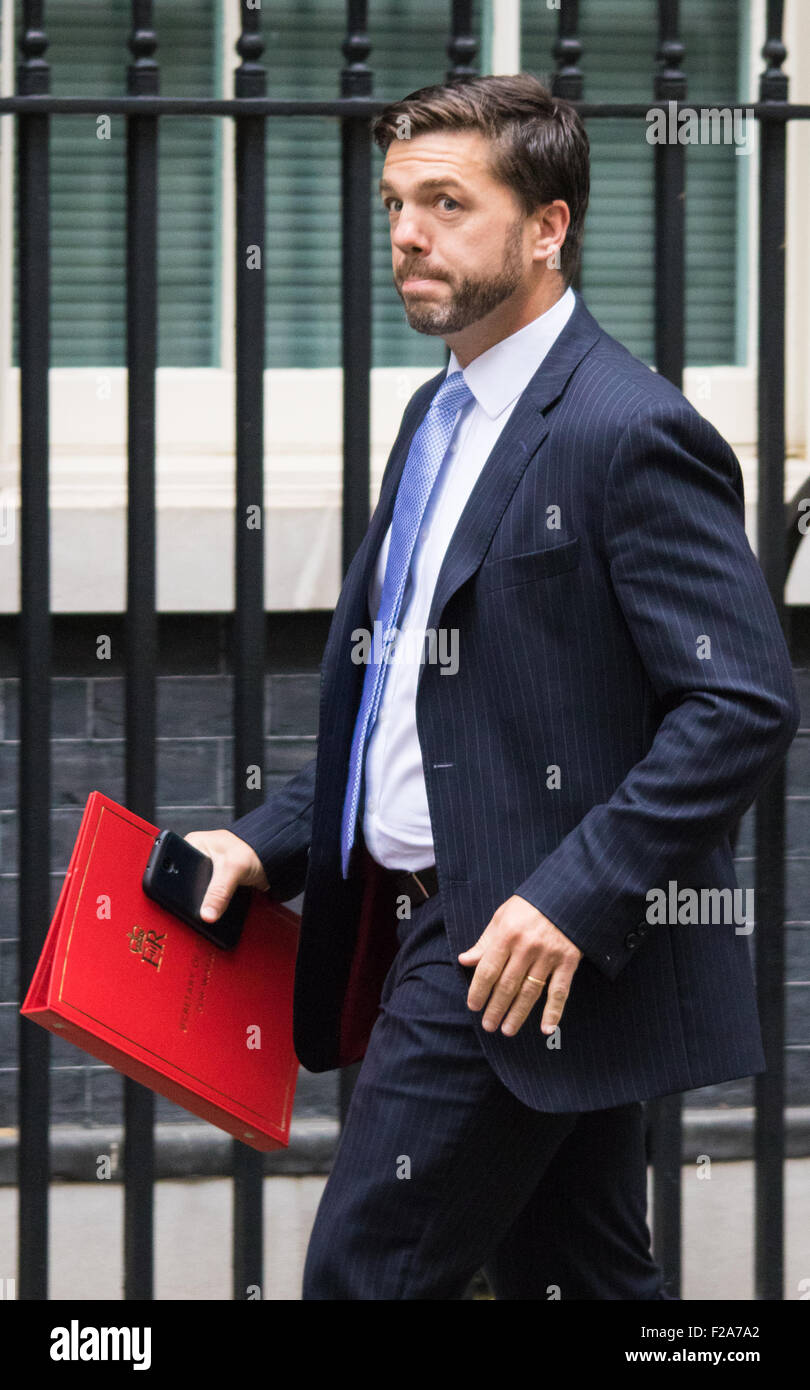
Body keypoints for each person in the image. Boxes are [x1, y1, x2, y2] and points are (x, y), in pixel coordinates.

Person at [185, 74, 800, 1300]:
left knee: (363, 1277)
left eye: (447, 202)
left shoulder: (626, 431)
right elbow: (420, 705)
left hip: (504, 947)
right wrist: (269, 840)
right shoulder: (438, 413)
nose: (407, 233)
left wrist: (573, 894)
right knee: (585, 1279)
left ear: (547, 225)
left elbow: (742, 702)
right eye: (396, 203)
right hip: (435, 921)